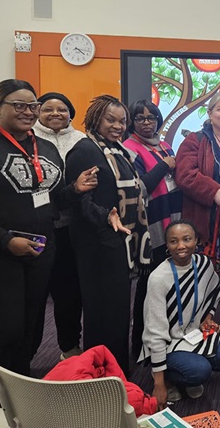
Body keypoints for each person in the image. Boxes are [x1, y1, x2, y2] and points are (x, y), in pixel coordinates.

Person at [0, 79, 96, 405]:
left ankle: (19, 400)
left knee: (30, 330)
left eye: (32, 105)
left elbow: (49, 200)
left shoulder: (46, 148)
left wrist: (74, 190)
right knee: (5, 332)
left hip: (40, 252)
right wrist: (5, 239)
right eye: (19, 105)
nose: (28, 111)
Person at [66, 95, 151, 374]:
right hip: (97, 245)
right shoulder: (85, 150)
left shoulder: (117, 150)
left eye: (122, 121)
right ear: (96, 119)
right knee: (102, 314)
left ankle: (117, 372)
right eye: (110, 120)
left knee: (116, 313)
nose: (118, 126)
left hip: (118, 242)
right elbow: (77, 200)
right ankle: (102, 376)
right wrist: (105, 216)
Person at [175, 93, 220, 339]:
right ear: (210, 113)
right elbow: (185, 175)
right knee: (207, 275)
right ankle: (203, 331)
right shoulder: (194, 141)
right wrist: (216, 193)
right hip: (207, 220)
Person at [142, 220, 220, 407]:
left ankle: (187, 373)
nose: (181, 246)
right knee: (200, 370)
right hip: (168, 342)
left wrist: (208, 317)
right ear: (167, 245)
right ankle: (166, 376)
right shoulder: (158, 278)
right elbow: (155, 332)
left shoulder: (203, 264)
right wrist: (159, 384)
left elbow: (215, 291)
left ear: (196, 240)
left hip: (194, 333)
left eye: (187, 239)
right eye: (173, 241)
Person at [123, 100, 182, 356]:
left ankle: (168, 339)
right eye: (140, 118)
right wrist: (164, 165)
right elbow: (140, 188)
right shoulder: (129, 149)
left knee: (170, 284)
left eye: (151, 117)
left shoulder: (165, 145)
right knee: (149, 288)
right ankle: (140, 345)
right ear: (132, 122)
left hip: (173, 220)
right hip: (152, 227)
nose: (147, 122)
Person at [31, 92, 86, 360]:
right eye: (48, 109)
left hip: (69, 230)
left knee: (68, 293)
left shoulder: (81, 140)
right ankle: (26, 352)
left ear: (70, 113)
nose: (55, 113)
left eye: (62, 109)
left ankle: (69, 346)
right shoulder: (27, 139)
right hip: (35, 229)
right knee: (33, 295)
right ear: (37, 112)